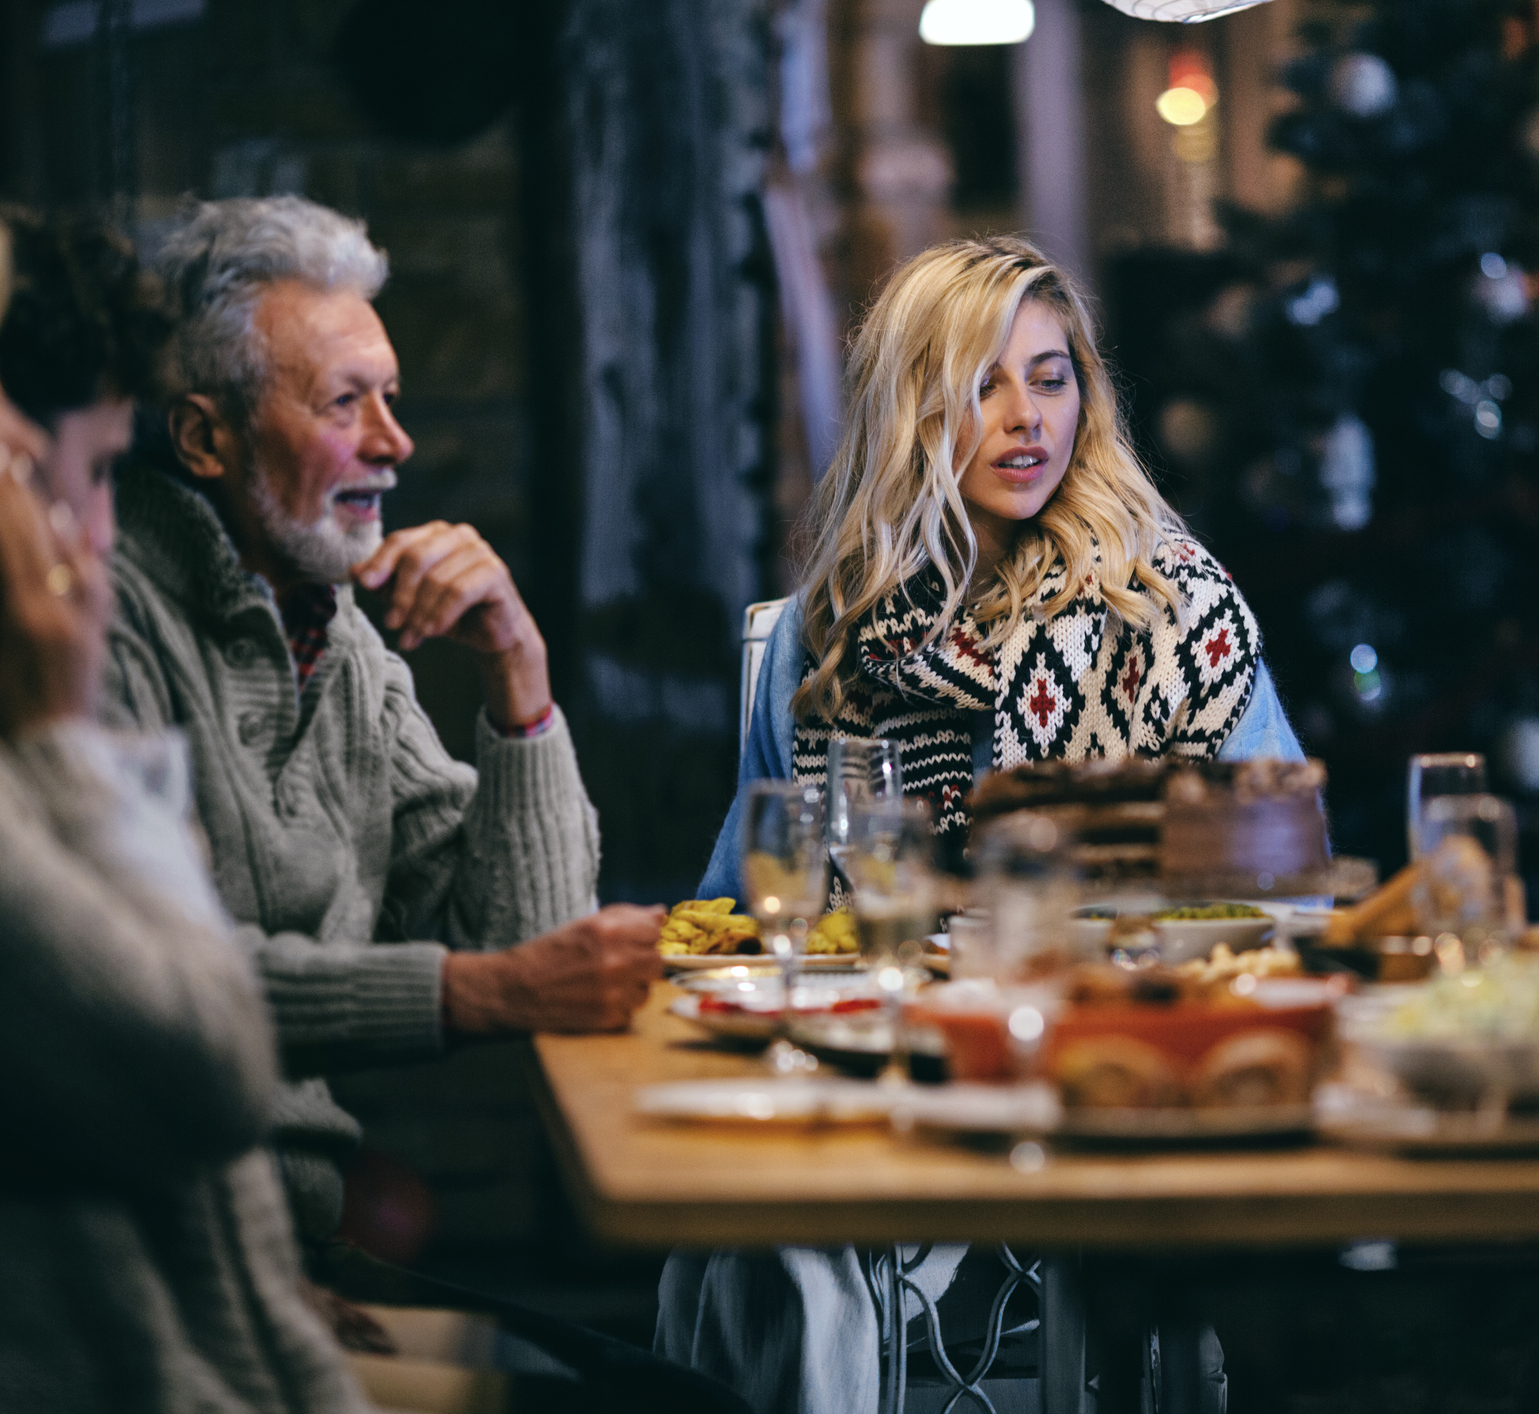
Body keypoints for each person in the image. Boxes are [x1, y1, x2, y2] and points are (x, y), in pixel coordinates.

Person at [661, 236, 1299, 1413]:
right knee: (763, 1207)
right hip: (881, 1062)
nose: (1025, 418)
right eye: (980, 385)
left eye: (1051, 378)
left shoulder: (1174, 606)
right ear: (911, 410)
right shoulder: (826, 631)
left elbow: (1283, 877)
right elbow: (745, 906)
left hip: (1103, 1064)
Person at [101, 195, 662, 1251]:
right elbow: (150, 980)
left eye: (390, 398)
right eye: (343, 404)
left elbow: (530, 945)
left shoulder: (334, 630)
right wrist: (474, 992)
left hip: (282, 1226)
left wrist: (517, 668)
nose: (394, 443)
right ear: (205, 437)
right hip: (157, 1244)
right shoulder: (99, 624)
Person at [0, 212, 369, 1413]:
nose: (99, 531)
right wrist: (65, 734)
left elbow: (533, 929)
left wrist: (522, 695)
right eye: (94, 471)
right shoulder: (50, 723)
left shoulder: (337, 625)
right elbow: (210, 1067)